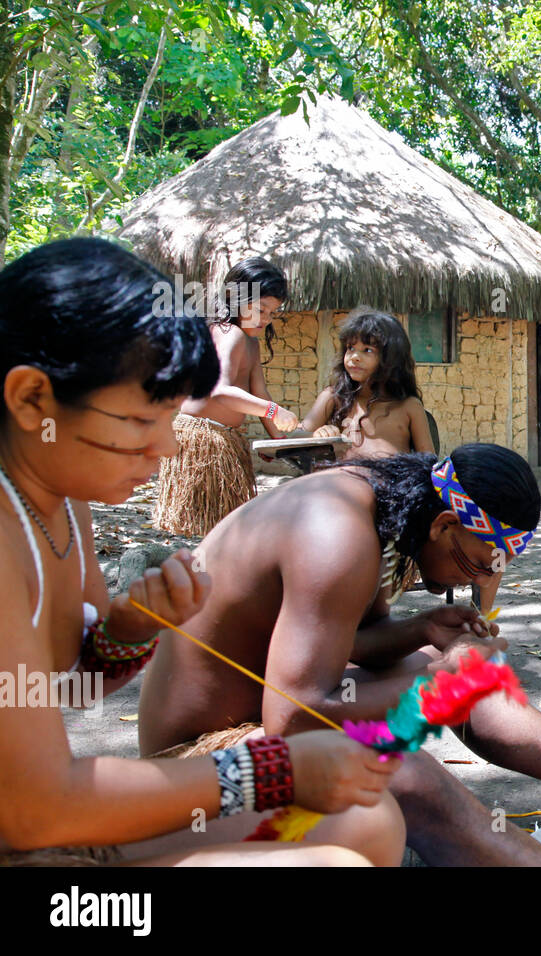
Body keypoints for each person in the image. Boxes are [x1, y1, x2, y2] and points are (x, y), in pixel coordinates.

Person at [0, 237, 404, 866]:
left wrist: (131, 632)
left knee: (365, 820)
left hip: (42, 824)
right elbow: (36, 807)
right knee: (332, 859)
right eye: (139, 421)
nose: (166, 446)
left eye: (167, 417)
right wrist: (272, 767)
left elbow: (63, 692)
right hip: (35, 827)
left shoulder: (62, 506)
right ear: (32, 401)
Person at [138, 443, 541, 865]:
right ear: (445, 523)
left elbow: (351, 639)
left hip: (263, 712)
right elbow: (290, 715)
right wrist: (436, 681)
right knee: (404, 773)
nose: (479, 583)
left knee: (469, 678)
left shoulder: (381, 503)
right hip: (197, 763)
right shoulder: (336, 533)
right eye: (478, 565)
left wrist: (423, 630)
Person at [154, 256, 300, 537]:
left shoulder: (251, 343)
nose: (267, 318)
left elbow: (260, 392)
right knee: (202, 532)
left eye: (272, 312)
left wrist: (280, 442)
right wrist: (273, 412)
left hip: (225, 441)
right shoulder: (228, 332)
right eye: (261, 309)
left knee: (221, 531)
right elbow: (219, 391)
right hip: (204, 439)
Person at [298, 309, 435, 460]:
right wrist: (317, 435)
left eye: (367, 350)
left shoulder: (409, 406)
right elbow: (295, 438)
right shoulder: (333, 397)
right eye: (350, 348)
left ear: (391, 358)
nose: (355, 357)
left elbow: (428, 462)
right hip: (343, 480)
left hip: (391, 481)